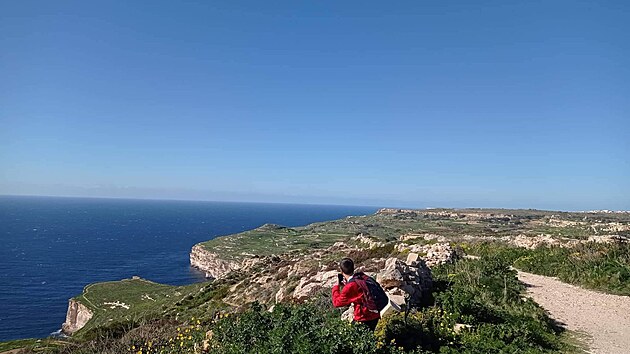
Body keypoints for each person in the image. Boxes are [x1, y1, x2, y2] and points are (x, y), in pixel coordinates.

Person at [331, 257, 380, 331]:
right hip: (376, 314)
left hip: (364, 318)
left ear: (341, 271)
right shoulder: (363, 277)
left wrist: (335, 287)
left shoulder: (350, 286)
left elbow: (337, 303)